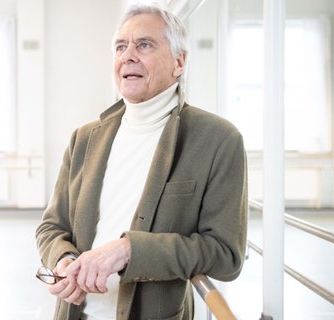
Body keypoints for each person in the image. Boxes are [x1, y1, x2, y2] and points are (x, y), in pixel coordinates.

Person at [35, 4, 247, 320]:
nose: (128, 55)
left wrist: (129, 250)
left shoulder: (218, 140)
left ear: (179, 61)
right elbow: (52, 226)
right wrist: (62, 258)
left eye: (144, 44)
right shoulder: (84, 138)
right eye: (121, 46)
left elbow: (225, 254)